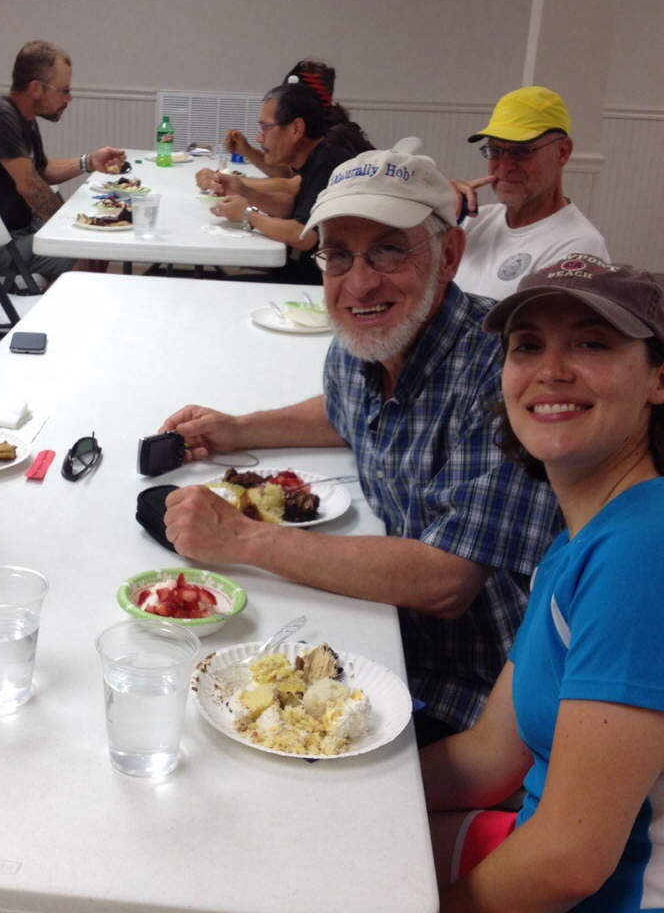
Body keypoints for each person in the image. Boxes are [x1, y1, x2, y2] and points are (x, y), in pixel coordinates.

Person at [161, 151, 561, 744]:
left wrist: (242, 538)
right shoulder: (367, 339)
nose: (359, 282)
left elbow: (447, 580)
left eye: (388, 251)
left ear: (450, 255)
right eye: (339, 255)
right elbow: (345, 410)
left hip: (479, 690)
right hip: (383, 631)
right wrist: (239, 429)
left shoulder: (500, 375)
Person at [422, 255, 664, 912]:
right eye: (527, 345)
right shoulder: (582, 540)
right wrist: (350, 785)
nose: (551, 371)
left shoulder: (644, 552)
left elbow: (570, 862)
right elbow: (489, 759)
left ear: (658, 378)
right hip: (538, 847)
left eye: (592, 343)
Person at [0, 40, 127, 279]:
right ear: (36, 88)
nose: (69, 98)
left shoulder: (25, 119)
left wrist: (89, 161)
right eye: (64, 90)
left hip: (22, 229)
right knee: (87, 249)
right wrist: (71, 228)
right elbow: (29, 185)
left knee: (98, 244)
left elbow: (41, 170)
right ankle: (59, 302)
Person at [452, 86, 608, 300]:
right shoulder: (470, 221)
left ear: (562, 153)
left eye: (522, 151)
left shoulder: (579, 249)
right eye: (496, 151)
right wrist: (432, 218)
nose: (504, 167)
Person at [206, 82, 372, 284]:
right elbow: (293, 208)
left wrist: (248, 215)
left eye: (266, 128)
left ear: (296, 129)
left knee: (222, 286)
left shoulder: (328, 161)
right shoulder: (319, 154)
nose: (259, 138)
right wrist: (243, 191)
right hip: (309, 270)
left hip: (321, 284)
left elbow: (304, 236)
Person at [193, 59, 369, 185]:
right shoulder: (319, 131)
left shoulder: (330, 144)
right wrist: (247, 151)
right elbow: (288, 173)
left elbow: (292, 188)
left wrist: (227, 181)